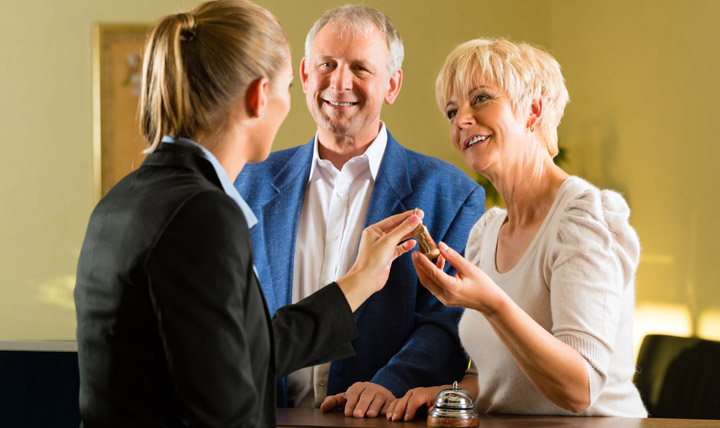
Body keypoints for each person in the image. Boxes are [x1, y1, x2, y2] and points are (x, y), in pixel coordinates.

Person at [73, 1, 424, 426]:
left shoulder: (124, 198)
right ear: (260, 97)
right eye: (288, 89)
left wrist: (355, 283)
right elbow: (227, 406)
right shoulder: (203, 214)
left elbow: (242, 349)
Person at [235, 5, 485, 419]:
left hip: (380, 423)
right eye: (327, 64)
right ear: (304, 74)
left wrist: (391, 384)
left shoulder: (452, 193)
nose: (339, 82)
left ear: (392, 84)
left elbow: (449, 324)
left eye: (360, 68)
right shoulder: (248, 182)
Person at [387, 38, 647, 420]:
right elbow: (504, 379)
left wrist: (490, 303)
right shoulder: (486, 232)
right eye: (451, 110)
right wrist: (447, 391)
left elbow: (580, 389)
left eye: (480, 99)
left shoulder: (581, 219)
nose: (461, 120)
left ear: (533, 110)